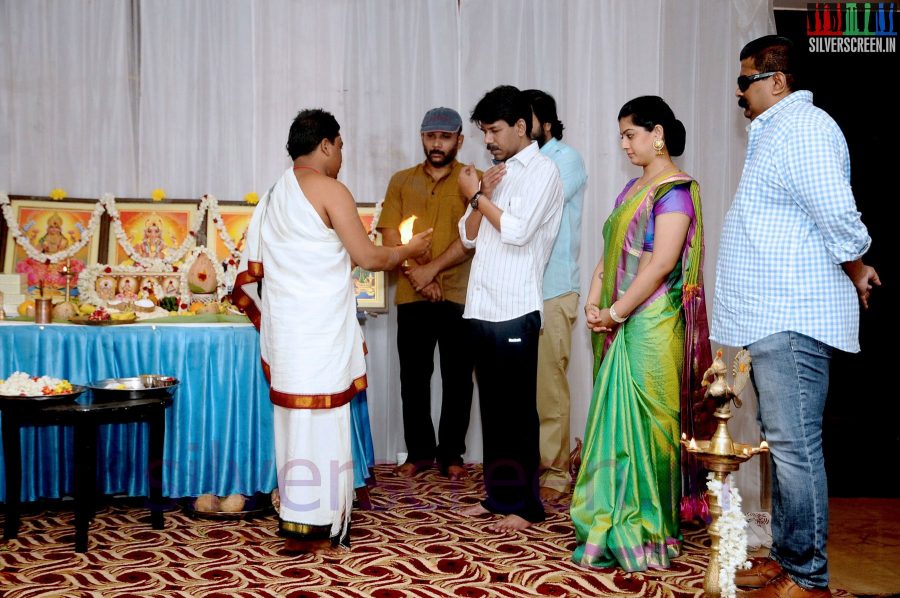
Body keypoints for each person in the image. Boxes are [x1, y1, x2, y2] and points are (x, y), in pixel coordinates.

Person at [711, 35, 879, 597]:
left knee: (795, 447)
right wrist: (855, 269)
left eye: (745, 81)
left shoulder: (804, 128)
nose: (739, 92)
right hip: (771, 313)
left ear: (777, 80)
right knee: (784, 445)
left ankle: (808, 577)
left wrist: (856, 262)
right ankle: (787, 559)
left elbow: (836, 212)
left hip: (792, 313)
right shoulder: (775, 132)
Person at [233, 108, 432, 553]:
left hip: (287, 333)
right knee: (321, 425)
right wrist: (409, 249)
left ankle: (296, 518)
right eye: (340, 146)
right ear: (325, 144)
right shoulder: (330, 190)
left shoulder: (273, 195)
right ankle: (320, 525)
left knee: (293, 424)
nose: (342, 154)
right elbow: (369, 257)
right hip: (319, 332)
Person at [570, 95, 711, 571]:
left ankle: (649, 529)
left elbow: (662, 262)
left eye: (631, 134)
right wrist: (594, 300)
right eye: (621, 136)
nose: (625, 144)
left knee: (651, 428)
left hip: (653, 323)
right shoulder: (631, 189)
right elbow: (610, 254)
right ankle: (609, 518)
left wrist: (615, 311)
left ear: (659, 134)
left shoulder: (675, 189)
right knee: (613, 427)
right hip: (622, 316)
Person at [456, 85, 564, 532]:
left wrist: (477, 196)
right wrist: (478, 194)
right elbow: (469, 236)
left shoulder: (544, 171)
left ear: (521, 127)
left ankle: (526, 506)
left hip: (516, 308)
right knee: (494, 412)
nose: (488, 141)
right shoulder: (496, 173)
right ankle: (498, 497)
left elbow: (517, 232)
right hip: (482, 305)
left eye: (495, 131)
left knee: (518, 413)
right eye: (484, 132)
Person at [376, 107, 476, 481]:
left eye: (445, 137)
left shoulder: (473, 180)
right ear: (421, 138)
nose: (437, 144)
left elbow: (475, 237)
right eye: (431, 136)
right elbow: (389, 237)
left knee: (458, 377)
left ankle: (452, 454)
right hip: (411, 293)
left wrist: (430, 271)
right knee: (413, 376)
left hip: (461, 293)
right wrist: (417, 277)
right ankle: (419, 452)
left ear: (459, 140)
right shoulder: (401, 181)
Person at [521, 89, 587, 503]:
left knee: (549, 389)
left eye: (524, 122)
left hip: (554, 289)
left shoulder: (567, 160)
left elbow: (532, 206)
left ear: (545, 123)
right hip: (519, 292)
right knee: (520, 390)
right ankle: (527, 467)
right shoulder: (517, 165)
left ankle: (557, 473)